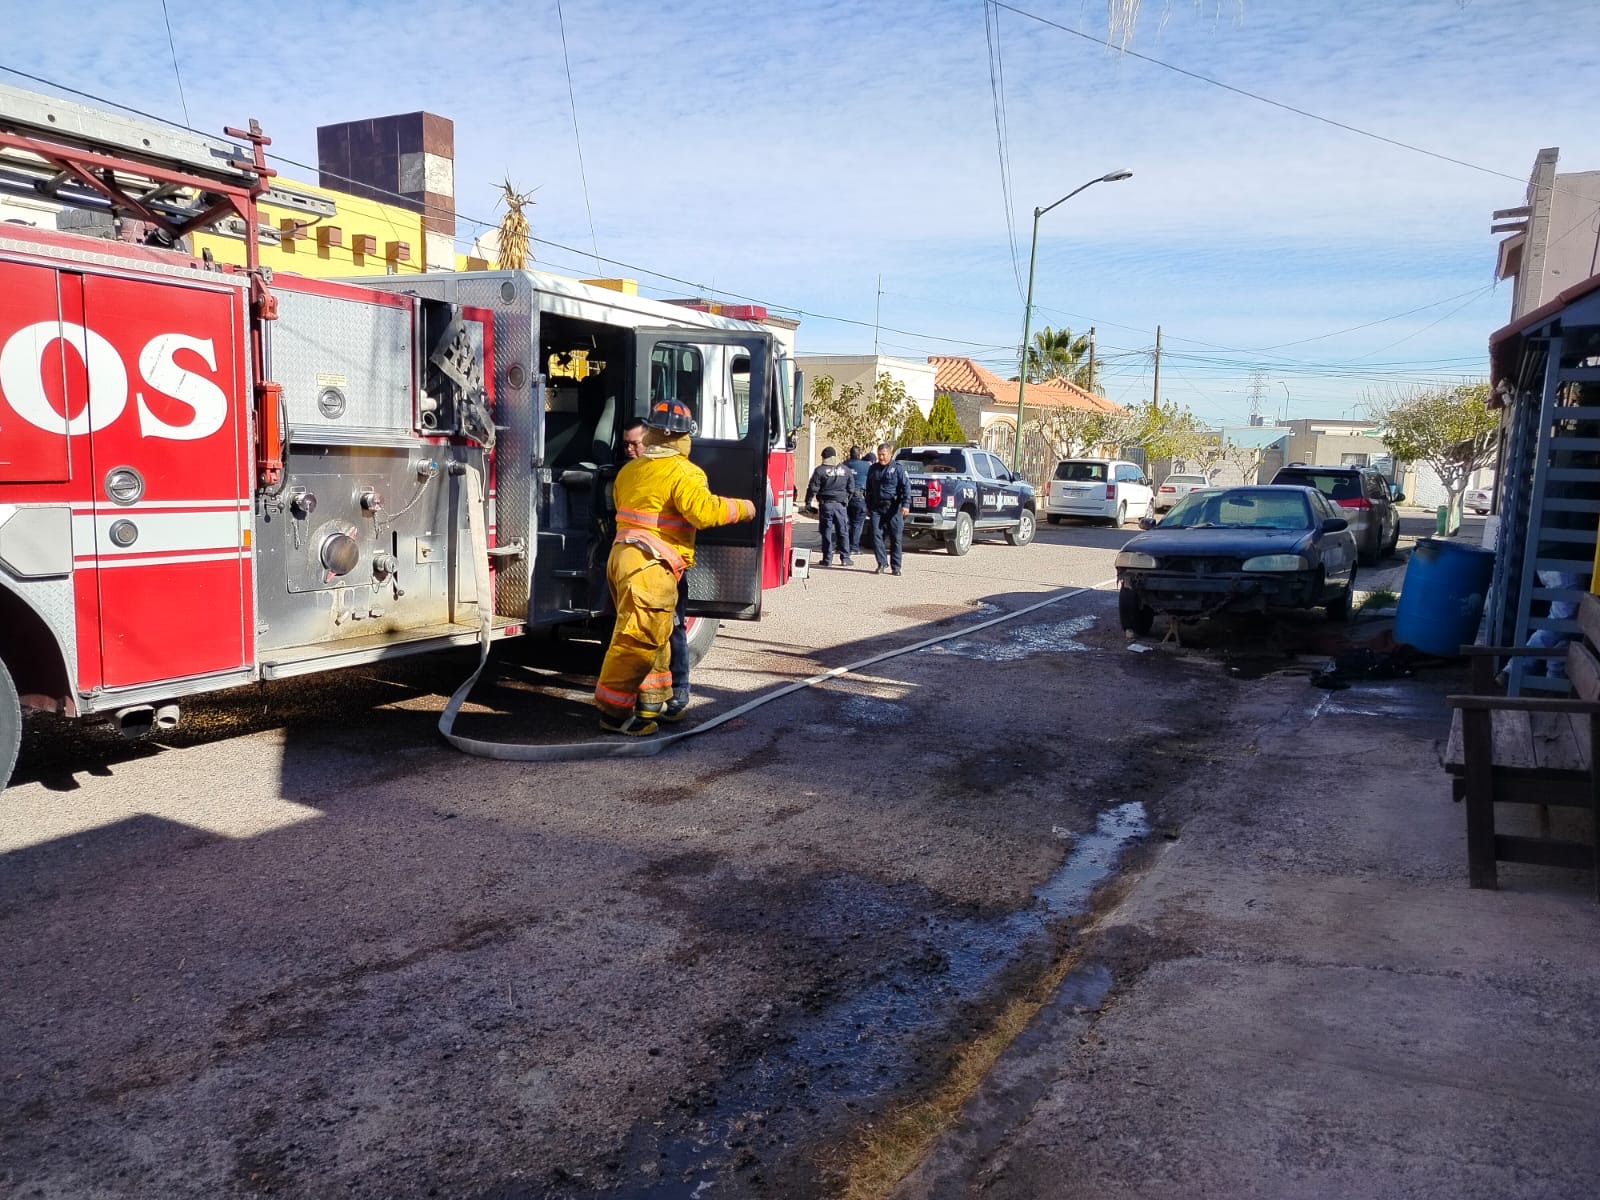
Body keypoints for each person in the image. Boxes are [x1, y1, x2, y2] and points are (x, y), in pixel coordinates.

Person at [595, 399, 757, 735]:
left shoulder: (630, 471)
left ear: (652, 433)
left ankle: (652, 705)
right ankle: (612, 713)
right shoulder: (684, 472)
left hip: (623, 558)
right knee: (637, 641)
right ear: (686, 435)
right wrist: (744, 508)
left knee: (656, 637)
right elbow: (704, 512)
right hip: (651, 566)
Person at [803, 446, 856, 567]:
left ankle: (827, 559)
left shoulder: (820, 470)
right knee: (843, 531)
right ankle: (845, 558)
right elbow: (851, 488)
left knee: (826, 532)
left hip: (826, 505)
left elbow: (812, 488)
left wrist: (808, 502)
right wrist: (846, 500)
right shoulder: (846, 470)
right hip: (840, 505)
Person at [865, 442, 910, 575]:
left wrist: (906, 505)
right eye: (879, 455)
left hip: (893, 507)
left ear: (890, 454)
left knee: (896, 537)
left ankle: (896, 567)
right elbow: (868, 489)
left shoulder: (898, 469)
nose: (881, 458)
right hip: (877, 507)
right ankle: (881, 563)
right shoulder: (873, 469)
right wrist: (868, 505)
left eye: (884, 455)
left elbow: (906, 488)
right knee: (875, 535)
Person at [845, 445, 872, 555]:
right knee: (857, 523)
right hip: (859, 497)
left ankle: (843, 546)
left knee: (845, 523)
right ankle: (854, 547)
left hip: (845, 498)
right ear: (859, 455)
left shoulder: (843, 465)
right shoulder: (866, 466)